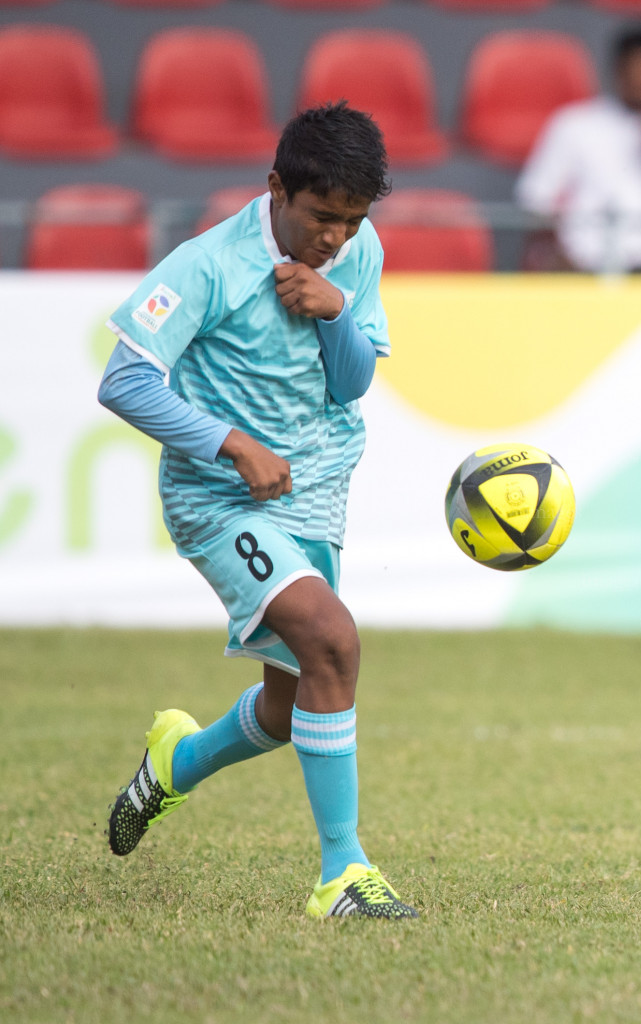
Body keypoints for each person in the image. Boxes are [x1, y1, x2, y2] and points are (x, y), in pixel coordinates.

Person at [98, 102, 416, 919]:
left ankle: (176, 762)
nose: (334, 239)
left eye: (350, 222)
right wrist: (232, 443)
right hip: (220, 500)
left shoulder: (357, 253)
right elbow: (124, 381)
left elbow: (351, 385)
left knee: (291, 700)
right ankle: (342, 875)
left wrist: (335, 309)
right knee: (334, 643)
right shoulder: (206, 265)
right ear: (277, 188)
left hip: (316, 491)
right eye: (321, 219)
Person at [516, 25, 641, 273]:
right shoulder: (574, 124)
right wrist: (557, 254)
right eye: (635, 68)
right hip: (579, 267)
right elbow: (534, 198)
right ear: (617, 70)